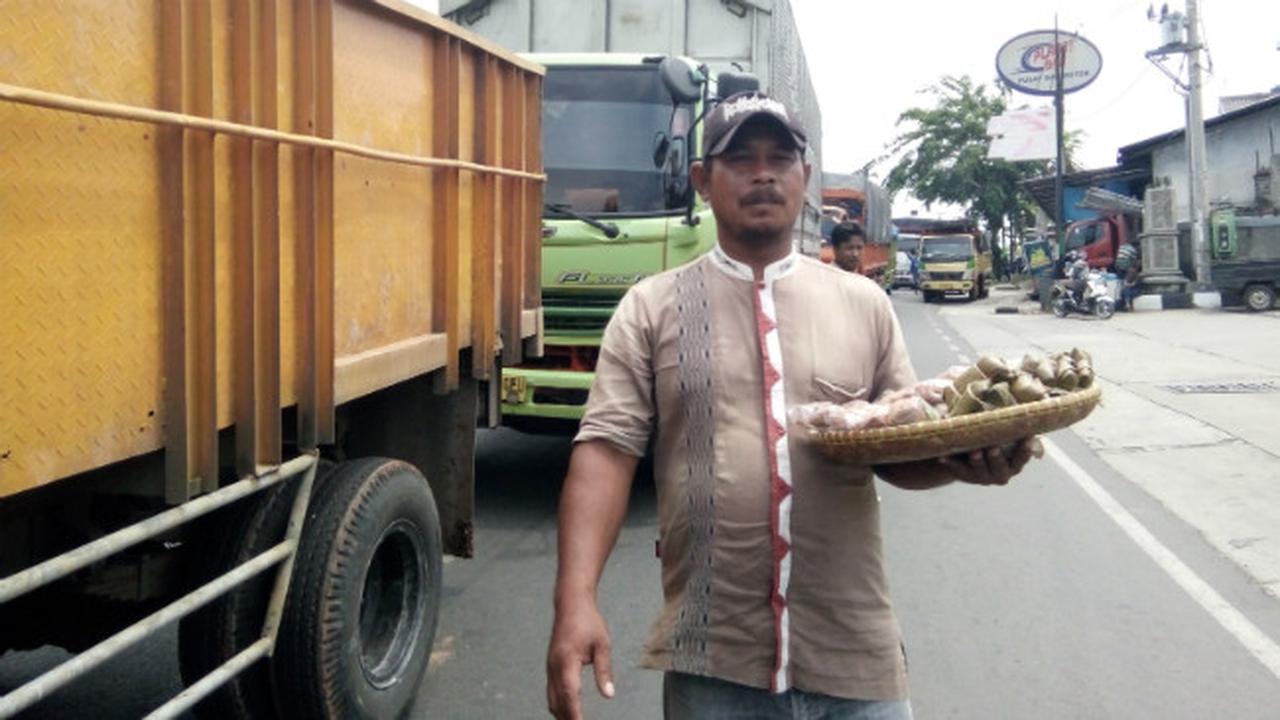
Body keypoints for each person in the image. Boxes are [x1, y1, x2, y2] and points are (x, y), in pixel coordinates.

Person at [544, 90, 1038, 720]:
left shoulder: (864, 304)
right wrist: (575, 601)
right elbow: (606, 453)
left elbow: (900, 452)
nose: (762, 173)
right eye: (740, 158)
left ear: (805, 177)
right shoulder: (651, 307)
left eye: (780, 157)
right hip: (712, 664)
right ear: (702, 181)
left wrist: (964, 460)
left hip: (854, 658)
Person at [1115, 239, 1141, 311]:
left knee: (1122, 284)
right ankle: (1128, 304)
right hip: (1125, 267)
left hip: (1118, 267)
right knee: (1127, 284)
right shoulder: (1133, 251)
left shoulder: (1122, 247)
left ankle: (1122, 302)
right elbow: (1134, 264)